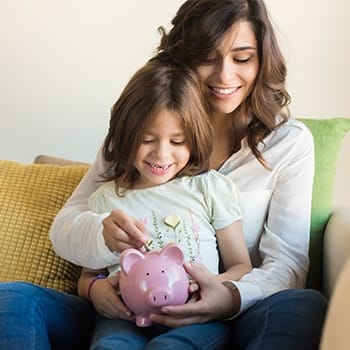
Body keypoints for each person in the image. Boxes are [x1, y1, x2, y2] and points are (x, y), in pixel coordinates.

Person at [0, 0, 328, 349]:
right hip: (125, 313)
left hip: (237, 312)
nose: (225, 76)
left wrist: (229, 296)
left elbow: (287, 264)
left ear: (263, 60)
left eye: (242, 58)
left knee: (304, 305)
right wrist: (99, 260)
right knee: (13, 299)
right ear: (184, 55)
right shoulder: (138, 132)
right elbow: (67, 226)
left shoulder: (289, 144)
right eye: (208, 56)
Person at [77, 59, 252, 349]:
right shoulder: (105, 199)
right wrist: (95, 290)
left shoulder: (209, 188)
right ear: (124, 136)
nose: (161, 154)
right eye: (147, 139)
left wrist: (213, 284)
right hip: (123, 319)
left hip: (196, 317)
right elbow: (86, 277)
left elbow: (241, 265)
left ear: (195, 140)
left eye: (177, 141)